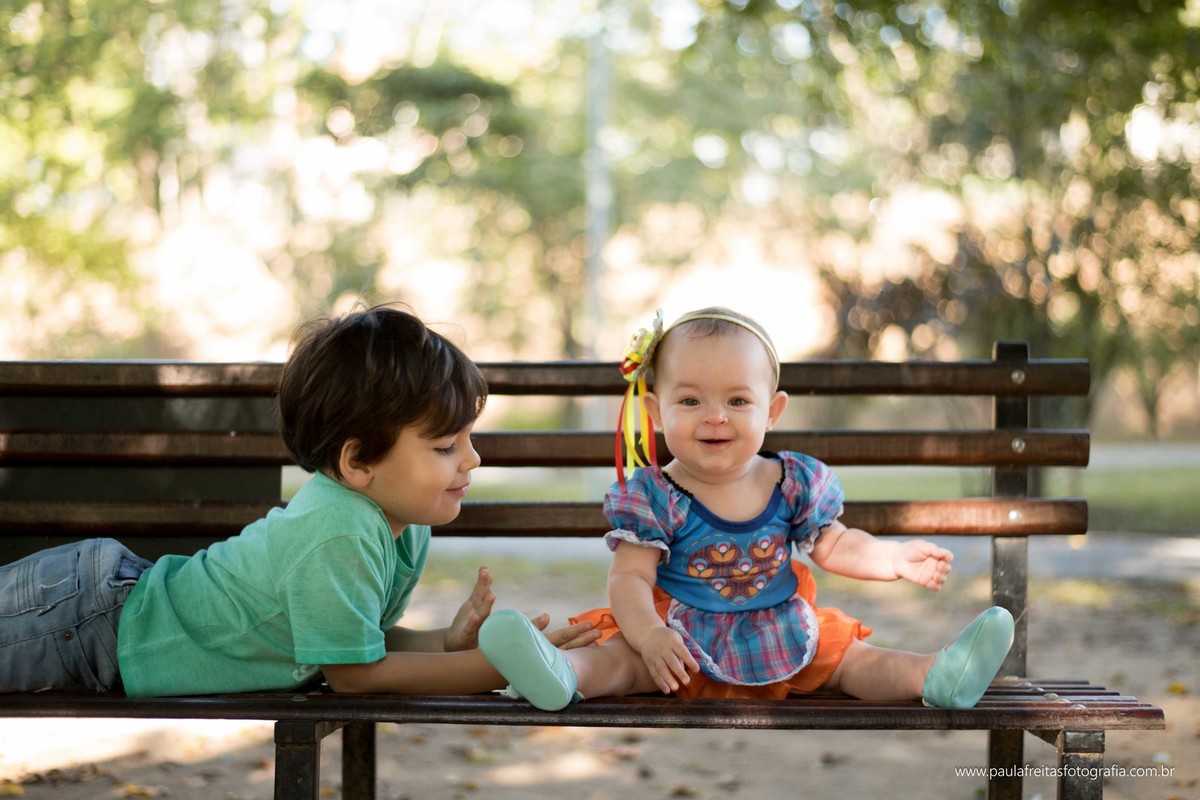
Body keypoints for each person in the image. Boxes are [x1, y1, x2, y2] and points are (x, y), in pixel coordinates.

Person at [0, 304, 596, 696]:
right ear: (357, 461)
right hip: (80, 620)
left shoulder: (401, 525)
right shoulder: (339, 529)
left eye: (469, 438)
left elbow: (353, 643)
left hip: (99, 621)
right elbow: (354, 677)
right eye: (445, 446)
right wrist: (498, 668)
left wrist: (444, 642)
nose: (473, 461)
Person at [478, 306, 1014, 711]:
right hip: (677, 640)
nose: (715, 417)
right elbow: (629, 582)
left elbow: (836, 544)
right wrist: (650, 635)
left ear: (772, 410)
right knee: (622, 662)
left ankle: (937, 676)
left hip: (779, 632)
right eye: (690, 401)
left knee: (849, 657)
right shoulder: (654, 495)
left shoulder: (792, 482)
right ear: (656, 412)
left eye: (737, 401)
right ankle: (560, 673)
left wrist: (892, 558)